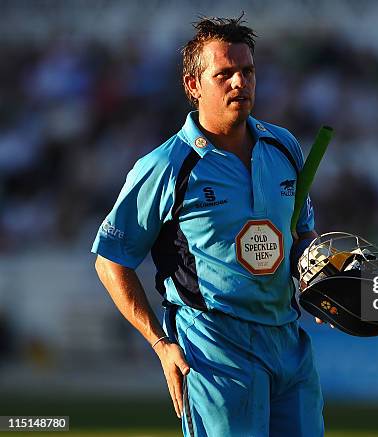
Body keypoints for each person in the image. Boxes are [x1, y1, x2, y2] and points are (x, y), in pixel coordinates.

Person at [92, 15, 325, 437]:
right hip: (215, 351)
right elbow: (111, 260)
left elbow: (301, 233)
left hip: (290, 345)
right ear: (193, 85)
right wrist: (161, 345)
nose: (240, 82)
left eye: (247, 71)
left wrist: (319, 277)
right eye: (225, 74)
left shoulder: (285, 147)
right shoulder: (166, 166)